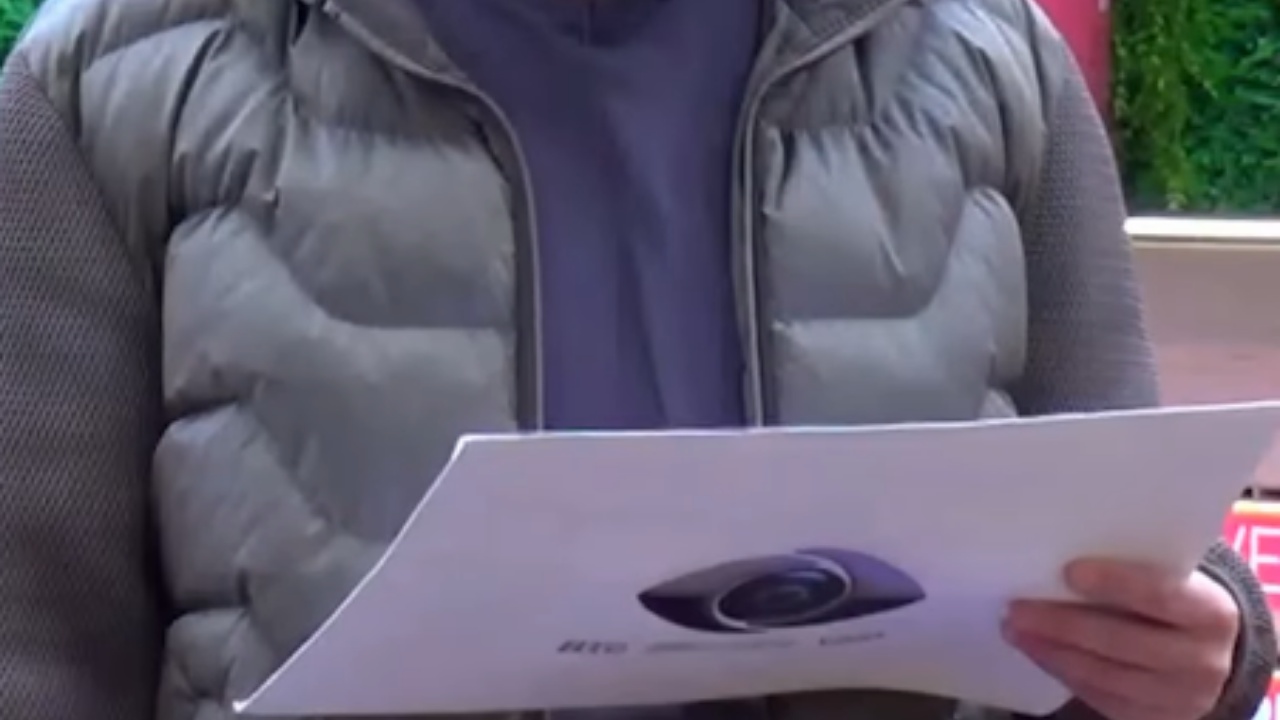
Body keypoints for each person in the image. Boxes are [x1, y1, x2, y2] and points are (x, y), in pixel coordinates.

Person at [0, 0, 1274, 719]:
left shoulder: (986, 62)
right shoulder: (114, 80)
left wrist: (1206, 652)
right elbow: (34, 645)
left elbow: (1125, 553)